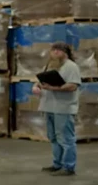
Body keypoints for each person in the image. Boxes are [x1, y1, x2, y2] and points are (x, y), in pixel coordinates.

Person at [32, 41, 82, 176]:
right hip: (49, 107)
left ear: (65, 52)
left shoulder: (71, 67)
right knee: (53, 138)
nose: (55, 52)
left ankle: (69, 166)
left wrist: (54, 88)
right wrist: (36, 86)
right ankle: (57, 163)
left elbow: (73, 85)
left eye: (58, 50)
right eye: (53, 50)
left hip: (63, 108)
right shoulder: (49, 66)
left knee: (66, 139)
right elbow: (41, 81)